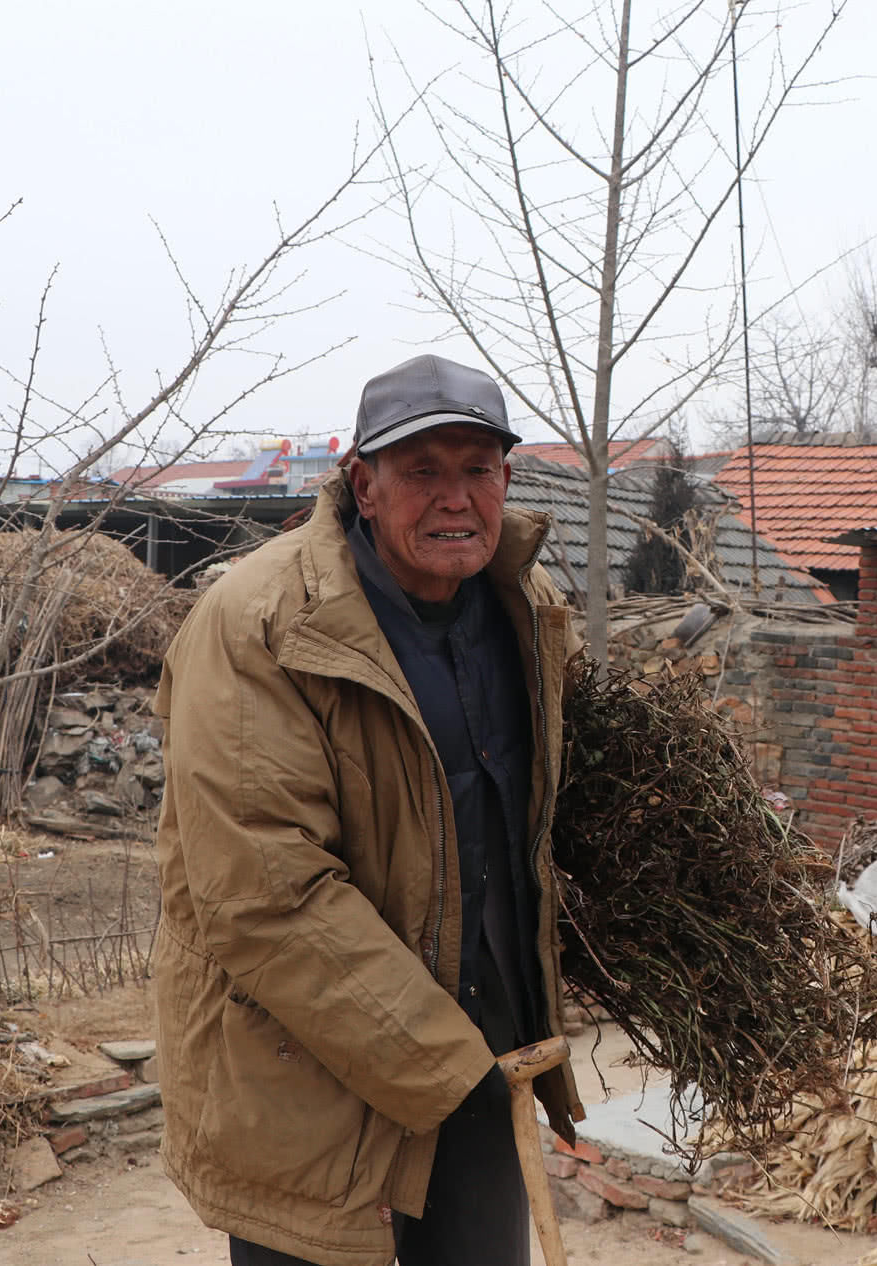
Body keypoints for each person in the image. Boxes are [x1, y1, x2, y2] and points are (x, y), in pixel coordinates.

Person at [151, 354, 582, 1266]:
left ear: (507, 479)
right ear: (364, 484)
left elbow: (530, 827)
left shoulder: (526, 605)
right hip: (306, 1080)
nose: (455, 498)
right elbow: (264, 893)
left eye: (477, 469)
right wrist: (440, 1064)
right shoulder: (259, 624)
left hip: (480, 1059)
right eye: (422, 471)